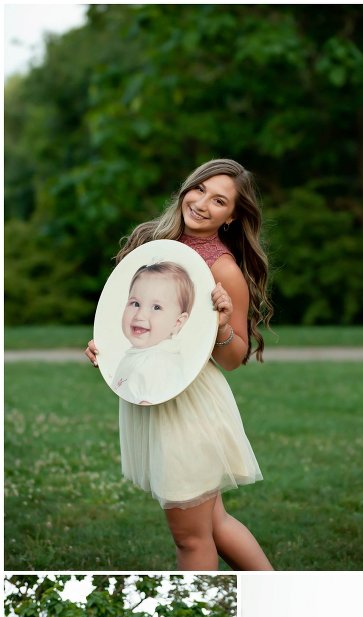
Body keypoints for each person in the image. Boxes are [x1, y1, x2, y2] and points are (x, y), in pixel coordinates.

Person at [86, 158, 273, 569]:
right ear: (187, 187)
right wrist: (107, 349)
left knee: (191, 539)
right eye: (200, 189)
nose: (203, 203)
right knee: (214, 523)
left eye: (219, 200)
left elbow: (233, 357)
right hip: (155, 394)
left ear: (231, 217)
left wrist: (222, 325)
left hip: (188, 408)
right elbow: (131, 317)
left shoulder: (223, 268)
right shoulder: (152, 245)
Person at [112, 262, 194, 405]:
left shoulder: (156, 363)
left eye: (156, 307)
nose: (140, 315)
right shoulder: (144, 354)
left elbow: (150, 411)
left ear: (177, 322)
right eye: (135, 304)